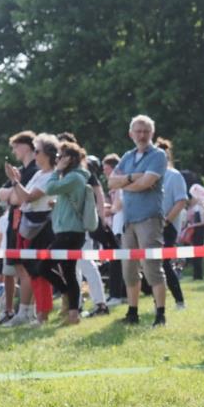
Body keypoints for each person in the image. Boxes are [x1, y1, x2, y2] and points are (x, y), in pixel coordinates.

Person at [108, 115, 169, 327]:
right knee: (128, 269)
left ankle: (160, 314)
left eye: (146, 131)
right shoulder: (128, 156)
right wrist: (133, 178)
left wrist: (125, 183)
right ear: (131, 134)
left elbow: (147, 182)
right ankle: (132, 313)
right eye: (138, 131)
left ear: (152, 133)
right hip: (129, 219)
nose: (142, 135)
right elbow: (111, 182)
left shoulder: (158, 155)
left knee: (152, 267)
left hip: (149, 218)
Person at [4, 133, 58, 326]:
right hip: (29, 224)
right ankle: (34, 312)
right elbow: (20, 197)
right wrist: (16, 183)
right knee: (33, 271)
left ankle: (42, 315)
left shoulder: (51, 175)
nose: (35, 154)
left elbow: (27, 197)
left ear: (47, 153)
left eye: (37, 151)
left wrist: (14, 181)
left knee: (40, 271)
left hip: (41, 227)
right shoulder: (39, 174)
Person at [40, 141, 92, 326]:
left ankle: (67, 297)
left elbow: (49, 188)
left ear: (69, 158)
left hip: (70, 232)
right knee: (69, 274)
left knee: (43, 267)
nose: (57, 160)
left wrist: (56, 171)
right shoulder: (73, 177)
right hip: (68, 231)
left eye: (60, 157)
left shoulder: (74, 177)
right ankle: (73, 315)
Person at [0, 130, 38, 326]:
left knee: (25, 268)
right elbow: (1, 193)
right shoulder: (20, 171)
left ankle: (26, 312)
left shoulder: (35, 170)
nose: (14, 151)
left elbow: (19, 198)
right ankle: (16, 311)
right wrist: (13, 191)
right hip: (14, 223)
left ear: (27, 146)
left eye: (16, 147)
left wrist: (14, 190)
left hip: (26, 224)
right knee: (15, 268)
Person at [157, 137, 189, 310]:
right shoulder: (152, 175)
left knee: (164, 264)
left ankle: (179, 301)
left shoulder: (174, 176)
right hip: (151, 226)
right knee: (154, 265)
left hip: (167, 226)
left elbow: (181, 201)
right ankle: (158, 302)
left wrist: (167, 221)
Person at [76, 155, 110, 317]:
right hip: (73, 225)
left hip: (83, 225)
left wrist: (100, 218)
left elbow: (99, 194)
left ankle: (100, 303)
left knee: (86, 263)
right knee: (75, 265)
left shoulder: (85, 172)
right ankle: (76, 304)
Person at [100, 154, 126, 306]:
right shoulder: (117, 186)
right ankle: (120, 294)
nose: (104, 172)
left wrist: (107, 210)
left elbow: (118, 205)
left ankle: (116, 295)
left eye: (106, 169)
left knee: (117, 261)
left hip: (121, 226)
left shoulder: (120, 185)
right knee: (118, 261)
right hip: (118, 225)